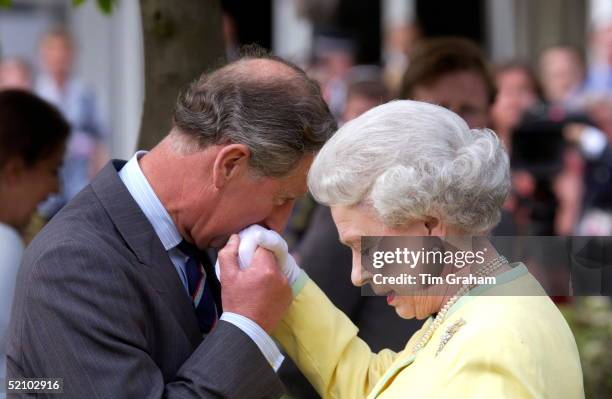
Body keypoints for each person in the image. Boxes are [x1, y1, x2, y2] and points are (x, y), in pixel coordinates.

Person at [6, 53, 336, 398]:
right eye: (282, 198)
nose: (277, 224)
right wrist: (247, 326)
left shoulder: (205, 241)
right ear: (230, 164)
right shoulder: (73, 262)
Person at [250, 100, 584, 398]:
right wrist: (287, 281)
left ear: (429, 225)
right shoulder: (481, 305)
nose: (357, 274)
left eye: (365, 247)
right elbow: (378, 387)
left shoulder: (495, 344)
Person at [0, 90, 68, 398]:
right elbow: (12, 383)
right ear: (14, 171)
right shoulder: (5, 246)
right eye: (52, 170)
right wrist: (63, 387)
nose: (56, 187)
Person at [35, 27, 107, 217]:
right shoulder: (36, 95)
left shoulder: (85, 93)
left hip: (79, 183)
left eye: (63, 51)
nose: (59, 58)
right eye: (53, 51)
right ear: (44, 55)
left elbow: (98, 138)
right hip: (47, 186)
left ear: (72, 55)